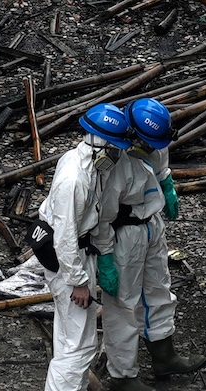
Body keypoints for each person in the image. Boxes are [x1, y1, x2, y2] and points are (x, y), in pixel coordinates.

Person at [93, 98, 206, 390]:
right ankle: (123, 375)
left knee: (159, 290)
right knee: (122, 305)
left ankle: (164, 356)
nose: (154, 150)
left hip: (151, 225)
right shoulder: (112, 161)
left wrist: (166, 185)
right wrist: (105, 255)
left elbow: (160, 164)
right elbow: (101, 217)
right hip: (123, 234)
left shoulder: (156, 137)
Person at [38, 103, 133, 391]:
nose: (118, 154)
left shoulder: (92, 167)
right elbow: (64, 236)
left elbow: (99, 213)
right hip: (67, 256)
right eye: (115, 147)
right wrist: (78, 281)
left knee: (76, 338)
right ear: (99, 143)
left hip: (80, 252)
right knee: (76, 345)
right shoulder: (74, 179)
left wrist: (104, 255)